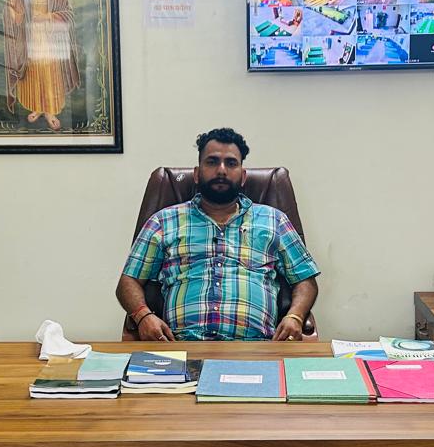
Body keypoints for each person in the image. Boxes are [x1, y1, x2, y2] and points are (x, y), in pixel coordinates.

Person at [116, 127, 320, 342]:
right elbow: (128, 281)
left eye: (231, 163)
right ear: (197, 173)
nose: (221, 170)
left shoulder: (274, 220)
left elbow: (305, 280)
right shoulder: (163, 221)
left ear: (243, 176)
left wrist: (295, 317)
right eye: (212, 162)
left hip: (256, 348)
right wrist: (143, 316)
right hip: (179, 346)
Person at [2, 0, 80, 132]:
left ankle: (50, 110)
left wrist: (48, 17)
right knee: (33, 73)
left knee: (49, 72)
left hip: (51, 39)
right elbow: (16, 19)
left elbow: (68, 14)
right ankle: (37, 107)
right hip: (28, 39)